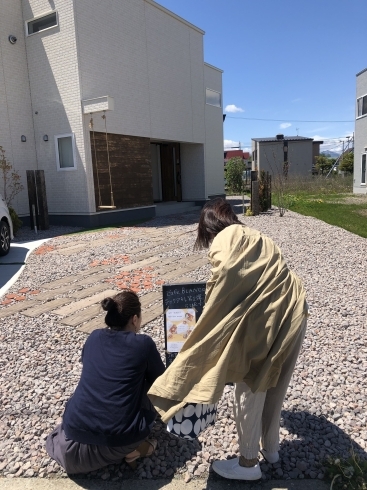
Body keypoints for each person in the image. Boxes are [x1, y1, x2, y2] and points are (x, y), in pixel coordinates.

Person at [148, 197, 307, 481]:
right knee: (274, 384)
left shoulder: (224, 239)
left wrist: (202, 329)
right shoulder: (257, 235)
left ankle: (248, 465)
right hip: (294, 310)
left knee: (249, 387)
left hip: (265, 321)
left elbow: (224, 279)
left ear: (208, 225)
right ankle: (270, 449)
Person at [46, 290, 165, 474]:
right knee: (148, 386)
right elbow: (161, 382)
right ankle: (135, 449)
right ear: (134, 319)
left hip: (71, 438)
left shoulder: (93, 336)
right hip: (119, 440)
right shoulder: (143, 344)